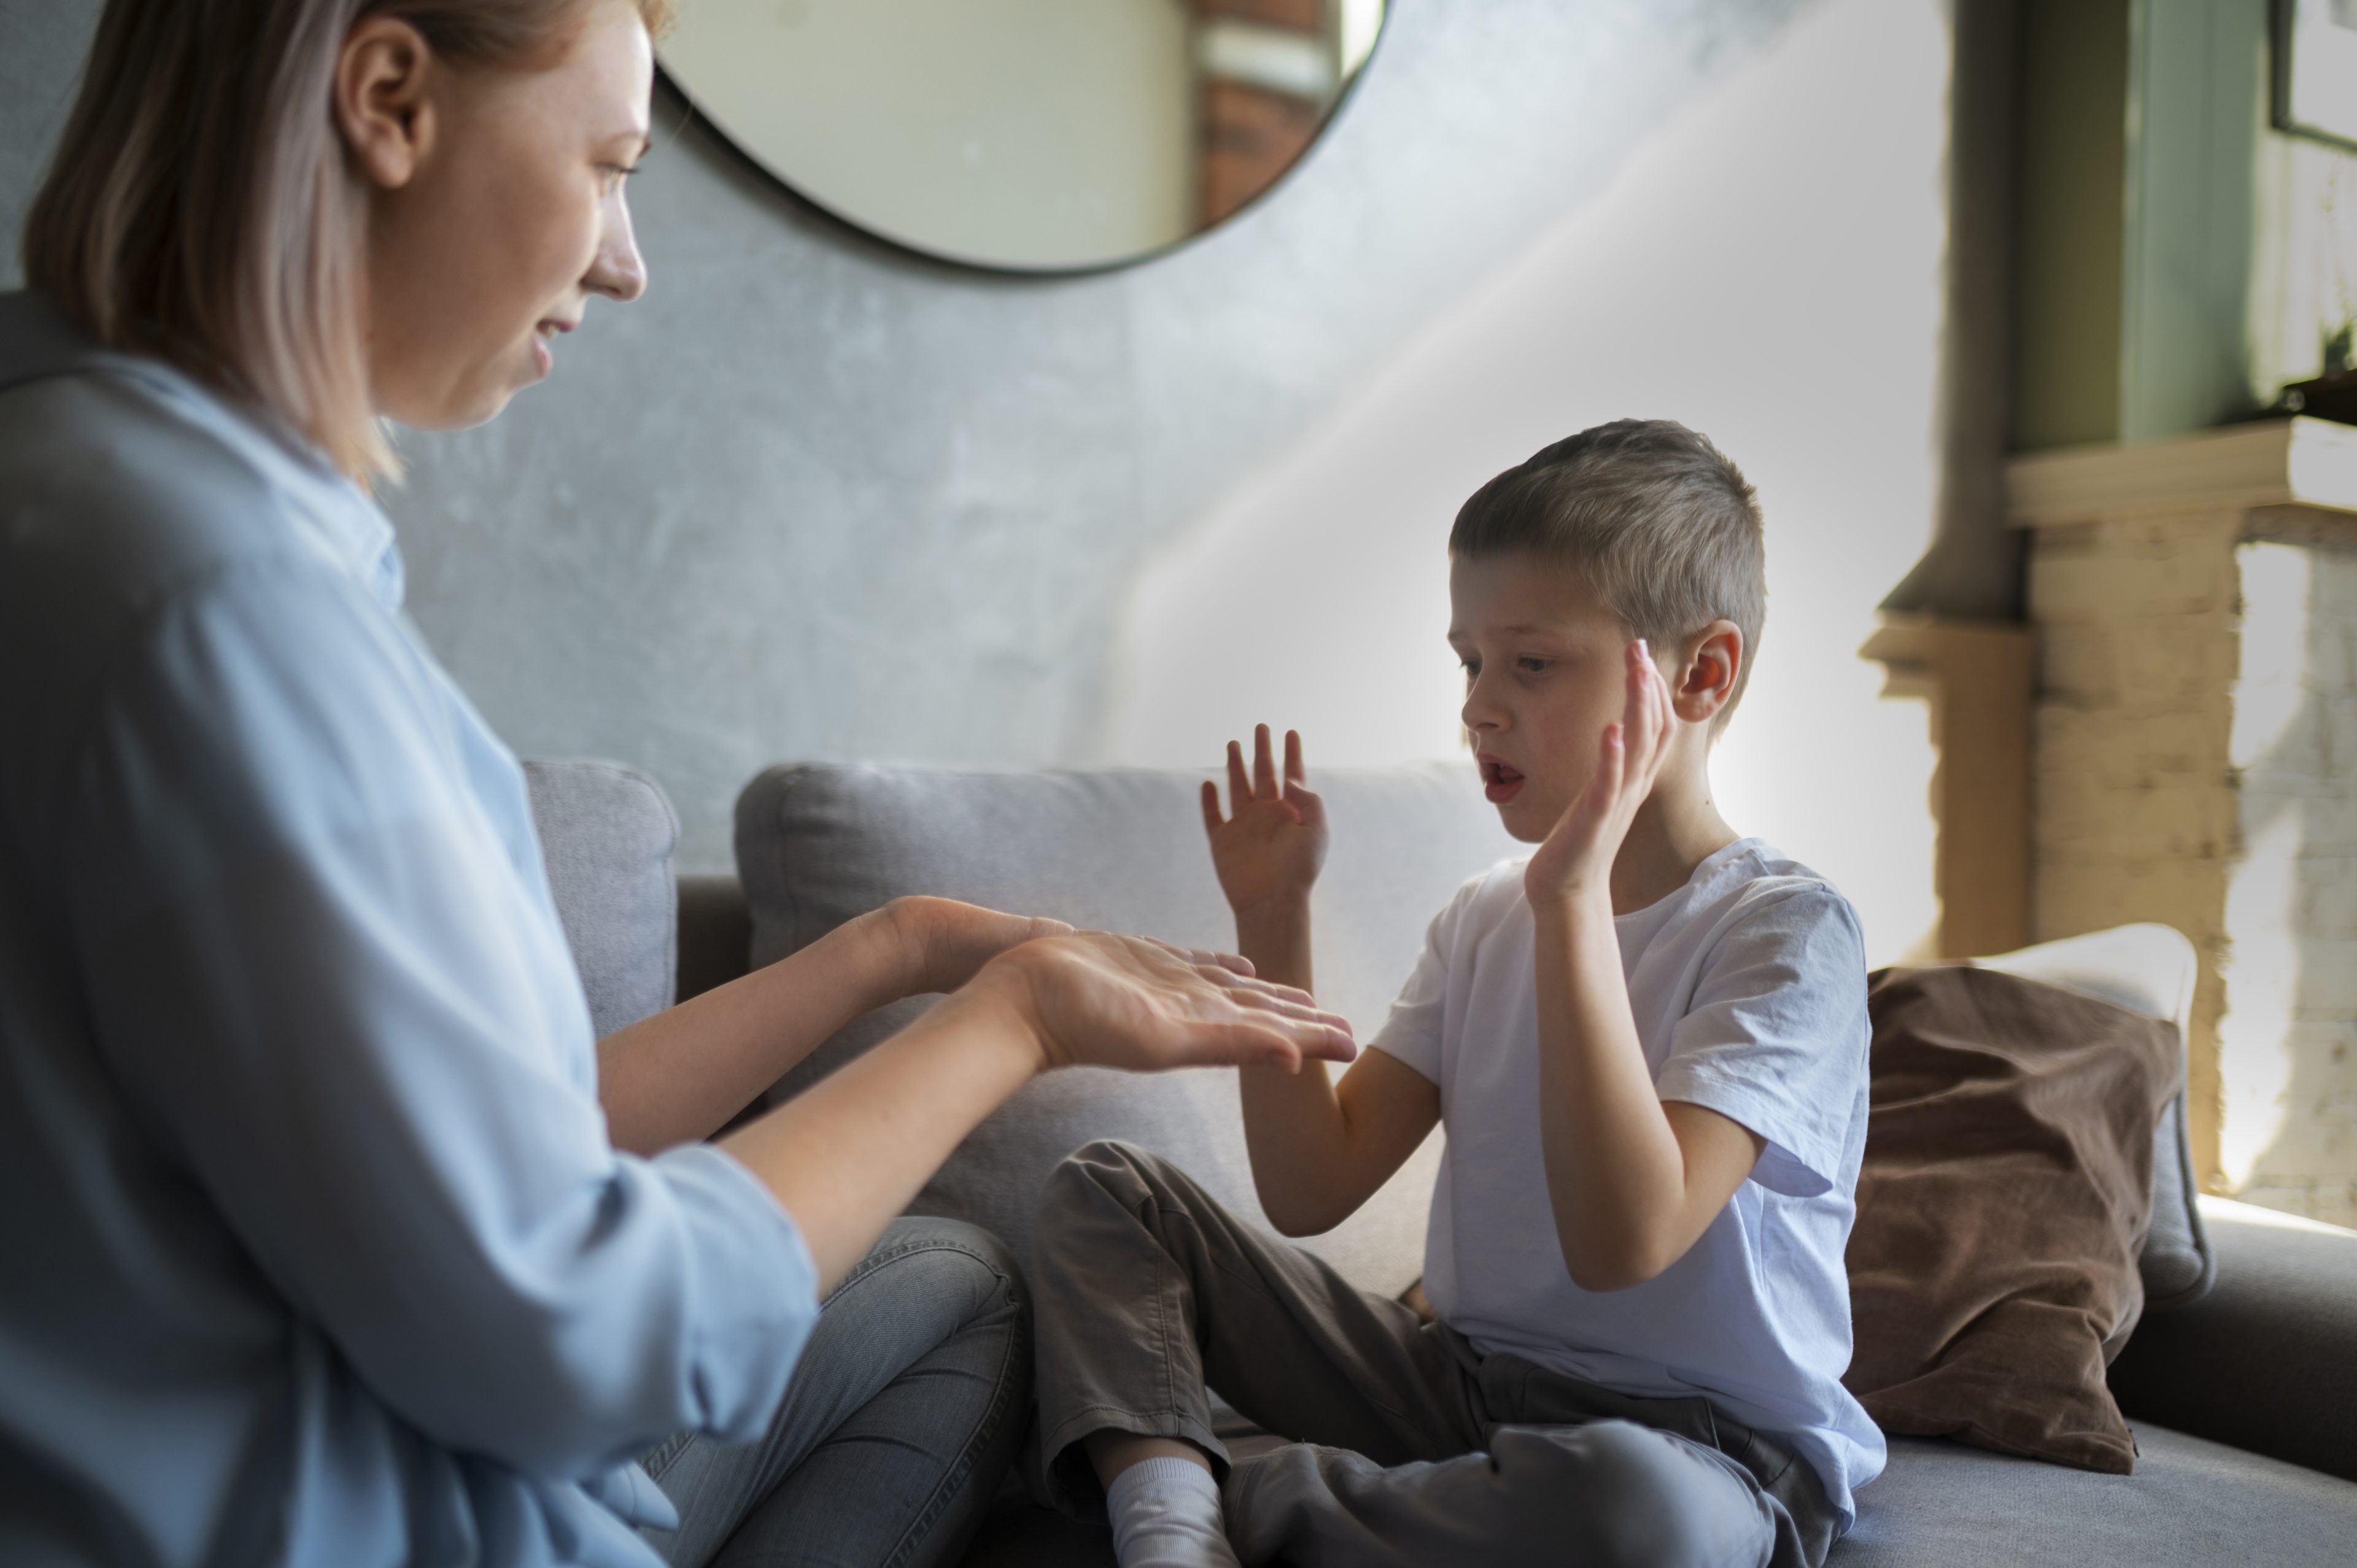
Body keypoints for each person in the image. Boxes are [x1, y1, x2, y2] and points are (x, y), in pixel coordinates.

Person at [0, 4, 1358, 1567]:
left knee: (951, 1279)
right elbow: (564, 1328)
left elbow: (469, 1150)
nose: (626, 260)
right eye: (606, 163)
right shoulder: (213, 605)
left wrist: (898, 949)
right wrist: (1019, 1019)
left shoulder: (84, 493)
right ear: (388, 98)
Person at [1028, 420, 1887, 1567]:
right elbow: (1309, 1187)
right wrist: (1273, 921)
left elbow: (1624, 1238)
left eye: (1531, 662)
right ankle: (1171, 1525)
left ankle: (1244, 1500)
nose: (1481, 705)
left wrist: (1572, 902)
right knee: (1107, 1193)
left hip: (1708, 1449)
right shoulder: (1485, 914)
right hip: (1463, 1386)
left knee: (1638, 1515)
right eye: (1468, 661)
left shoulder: (1784, 931)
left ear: (1702, 672)